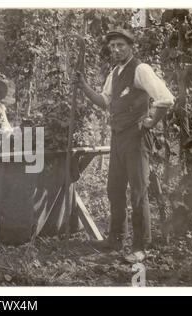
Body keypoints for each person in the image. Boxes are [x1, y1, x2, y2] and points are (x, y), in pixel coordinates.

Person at [75, 29, 175, 263]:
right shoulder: (115, 72)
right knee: (114, 188)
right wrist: (83, 86)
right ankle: (116, 238)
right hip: (118, 136)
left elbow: (166, 98)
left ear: (131, 46)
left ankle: (141, 247)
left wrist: (151, 122)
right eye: (112, 46)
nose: (116, 49)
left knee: (138, 192)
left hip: (137, 137)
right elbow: (104, 101)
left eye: (121, 45)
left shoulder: (141, 69)